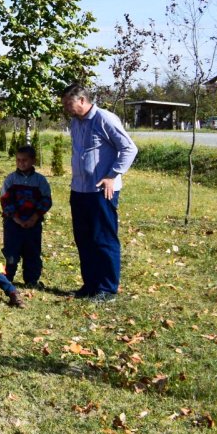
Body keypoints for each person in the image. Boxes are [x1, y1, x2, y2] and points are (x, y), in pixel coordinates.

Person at [62, 83, 138, 303]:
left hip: (101, 191)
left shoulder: (104, 119)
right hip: (79, 190)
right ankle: (90, 285)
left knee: (103, 239)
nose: (66, 108)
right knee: (84, 239)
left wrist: (113, 175)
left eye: (69, 103)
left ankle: (107, 288)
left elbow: (129, 148)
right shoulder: (75, 123)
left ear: (83, 101)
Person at [0, 144, 52, 287]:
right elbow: (5, 200)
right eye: (18, 160)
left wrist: (34, 218)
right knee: (10, 252)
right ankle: (6, 277)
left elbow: (46, 200)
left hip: (33, 224)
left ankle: (31, 280)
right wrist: (16, 219)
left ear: (33, 161)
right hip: (13, 224)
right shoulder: (10, 180)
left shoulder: (40, 180)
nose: (21, 163)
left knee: (32, 252)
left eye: (25, 160)